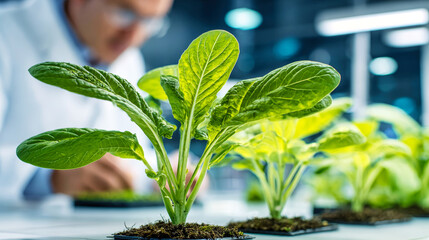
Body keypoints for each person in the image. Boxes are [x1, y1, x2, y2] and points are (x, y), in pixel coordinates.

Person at [0, 0, 173, 201]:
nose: (134, 36)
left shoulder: (128, 59)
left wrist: (161, 174)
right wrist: (49, 177)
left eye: (150, 22)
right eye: (124, 14)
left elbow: (127, 159)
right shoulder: (6, 35)